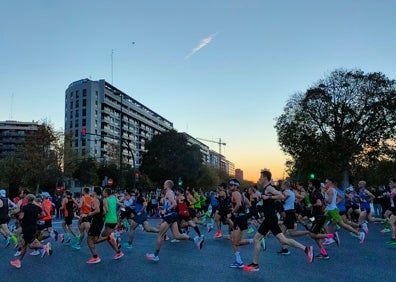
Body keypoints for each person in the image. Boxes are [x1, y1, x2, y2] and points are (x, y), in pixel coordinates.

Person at [243, 170, 313, 272]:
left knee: (257, 239)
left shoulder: (269, 188)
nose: (259, 178)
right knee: (283, 240)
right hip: (270, 218)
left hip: (270, 218)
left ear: (265, 177)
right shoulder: (266, 188)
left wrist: (268, 197)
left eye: (261, 177)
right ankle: (306, 249)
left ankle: (255, 264)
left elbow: (281, 196)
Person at [146, 180, 204, 262]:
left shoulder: (169, 193)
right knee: (177, 235)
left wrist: (166, 211)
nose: (163, 184)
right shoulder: (170, 193)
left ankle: (155, 255)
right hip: (172, 216)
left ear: (167, 185)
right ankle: (195, 240)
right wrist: (163, 208)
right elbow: (171, 204)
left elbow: (174, 204)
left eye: (164, 183)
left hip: (169, 216)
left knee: (160, 235)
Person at [10, 194, 52, 268]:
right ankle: (18, 261)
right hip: (33, 226)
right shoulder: (37, 207)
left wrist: (16, 215)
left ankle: (44, 247)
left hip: (26, 228)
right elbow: (43, 214)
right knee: (24, 245)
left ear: (26, 200)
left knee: (30, 245)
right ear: (33, 200)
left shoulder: (25, 207)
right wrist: (36, 217)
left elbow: (21, 217)